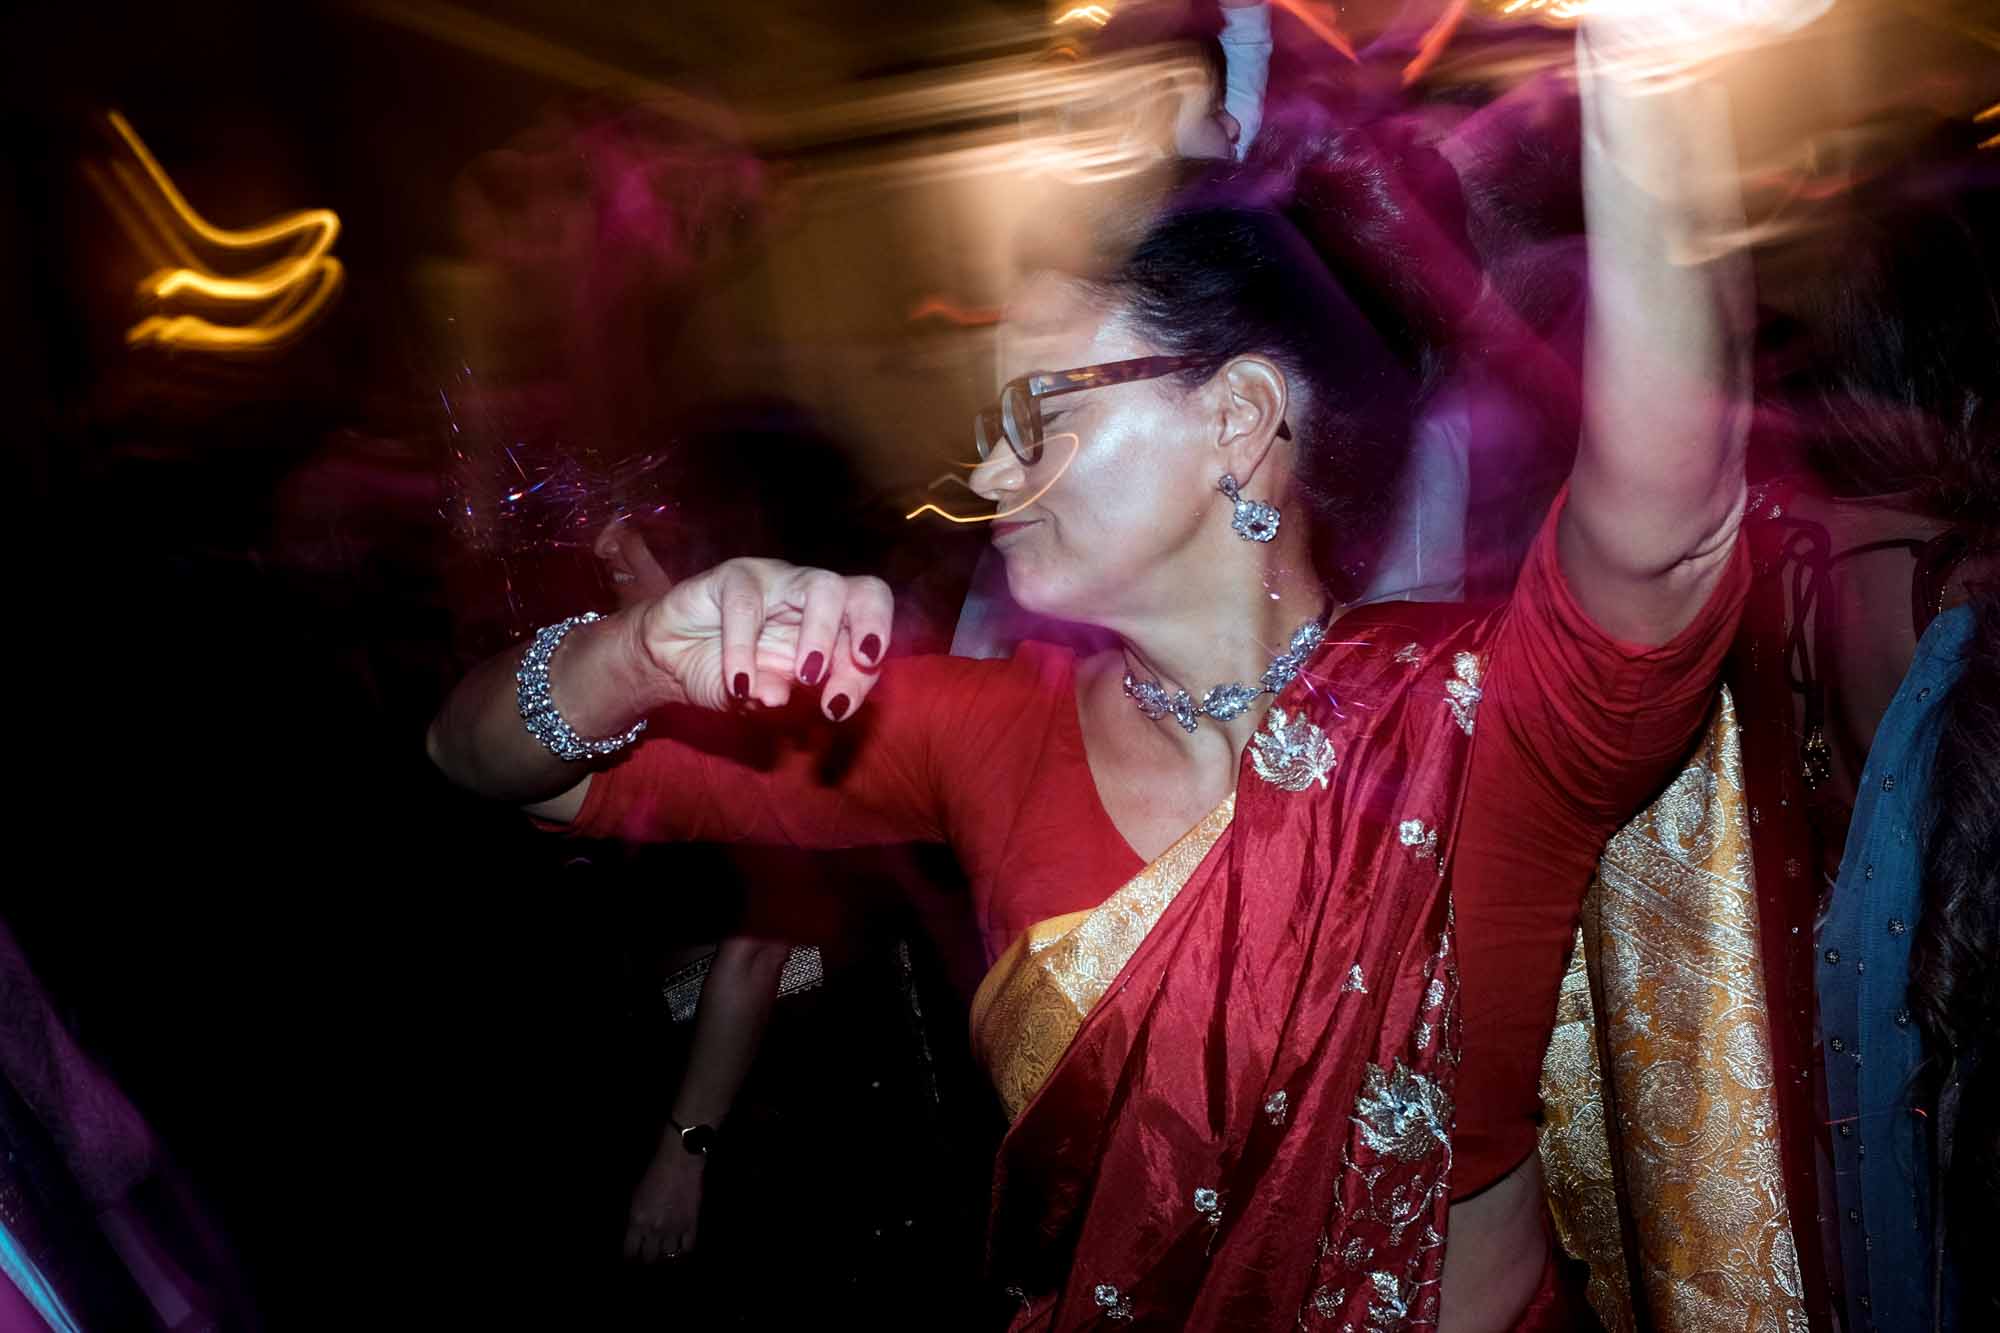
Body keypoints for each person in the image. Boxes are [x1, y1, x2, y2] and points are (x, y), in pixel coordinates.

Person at [428, 9, 1760, 1327]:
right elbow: (484, 760)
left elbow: (1667, 538)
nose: (991, 473)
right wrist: (647, 653)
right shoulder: (987, 733)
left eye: (1038, 414)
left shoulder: (1466, 720)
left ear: (1237, 422)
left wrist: (1642, 73)